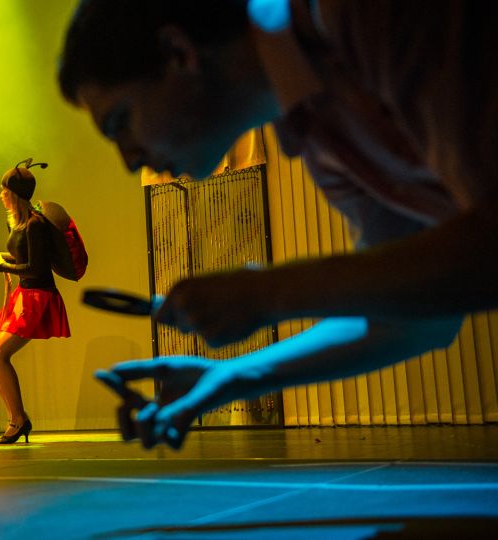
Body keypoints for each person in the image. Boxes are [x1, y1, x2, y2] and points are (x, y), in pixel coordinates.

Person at [58, 0, 498, 449]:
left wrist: (266, 293)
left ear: (178, 53)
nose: (130, 161)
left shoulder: (367, 14)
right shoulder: (318, 135)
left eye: (121, 122)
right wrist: (232, 375)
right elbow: (415, 318)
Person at [0, 161, 71, 444]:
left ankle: (18, 420)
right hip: (23, 294)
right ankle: (17, 417)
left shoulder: (35, 225)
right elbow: (20, 257)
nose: (1, 195)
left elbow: (36, 268)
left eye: (4, 191)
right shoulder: (15, 222)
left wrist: (3, 267)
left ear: (15, 194)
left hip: (38, 297)